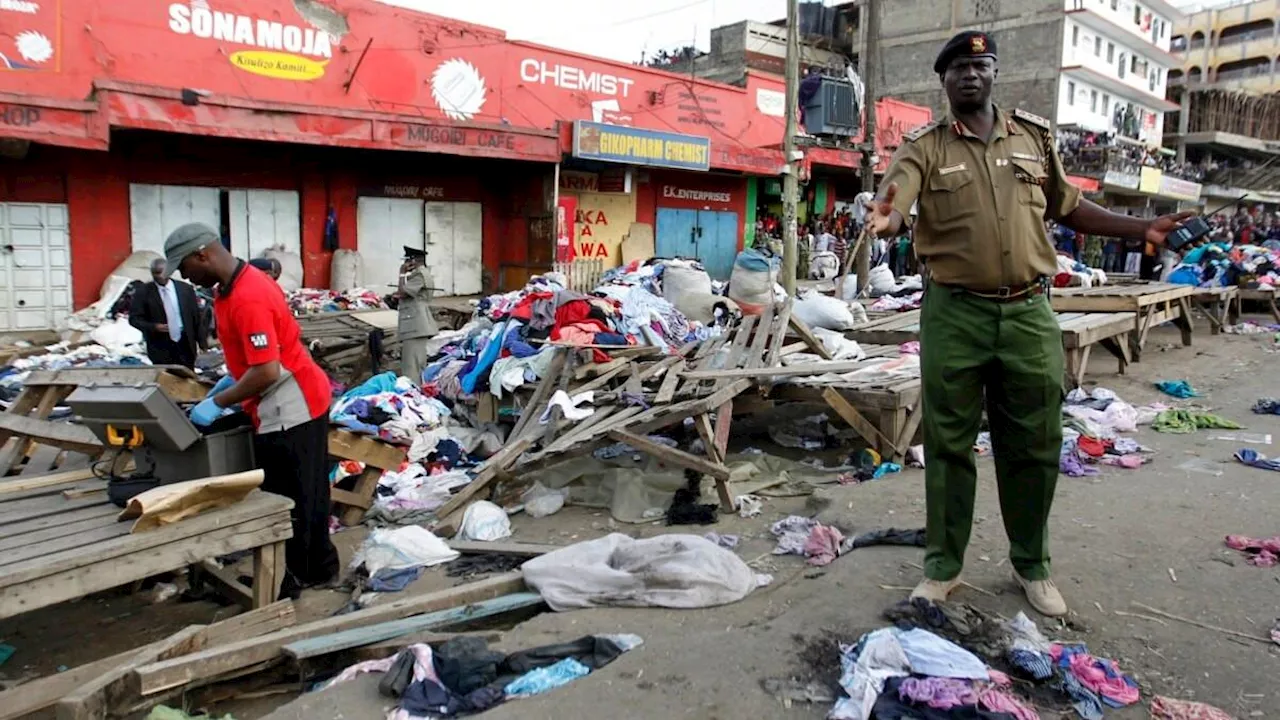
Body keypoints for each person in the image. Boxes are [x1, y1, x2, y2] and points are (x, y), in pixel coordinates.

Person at [864, 30, 1193, 617]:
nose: (971, 74)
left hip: (1028, 313)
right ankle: (943, 567)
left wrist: (1139, 229)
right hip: (955, 314)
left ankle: (1032, 565)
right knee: (948, 445)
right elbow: (897, 199)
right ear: (944, 81)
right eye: (959, 68)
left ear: (994, 73)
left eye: (981, 64)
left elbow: (1071, 207)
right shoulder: (925, 146)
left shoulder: (1035, 140)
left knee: (1035, 444)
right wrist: (887, 220)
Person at [165, 223, 340, 599]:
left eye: (183, 266)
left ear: (202, 255)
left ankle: (305, 575)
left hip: (293, 402)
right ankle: (304, 571)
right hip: (275, 397)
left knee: (296, 496)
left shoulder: (249, 296)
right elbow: (252, 360)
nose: (182, 276)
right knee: (295, 490)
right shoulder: (227, 292)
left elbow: (266, 371)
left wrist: (219, 402)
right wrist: (229, 383)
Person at [128, 258, 204, 368]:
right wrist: (154, 327)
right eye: (155, 273)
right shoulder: (143, 292)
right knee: (166, 378)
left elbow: (195, 317)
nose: (158, 276)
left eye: (161, 272)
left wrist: (201, 342)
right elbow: (134, 319)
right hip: (160, 345)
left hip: (185, 341)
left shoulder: (185, 289)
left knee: (187, 377)